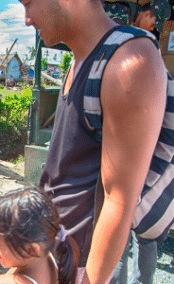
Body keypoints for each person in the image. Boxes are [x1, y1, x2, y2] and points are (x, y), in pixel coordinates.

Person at [20, 0, 167, 283]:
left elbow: (118, 200)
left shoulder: (129, 59)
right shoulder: (80, 60)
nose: (27, 18)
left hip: (80, 264)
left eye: (28, 3)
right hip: (55, 251)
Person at [104, 1, 171, 283]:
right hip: (146, 170)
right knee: (143, 240)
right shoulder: (158, 69)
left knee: (120, 240)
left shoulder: (115, 66)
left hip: (127, 172)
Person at [104, 0, 170, 32]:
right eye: (153, 24)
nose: (152, 29)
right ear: (147, 14)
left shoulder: (134, 18)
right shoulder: (124, 14)